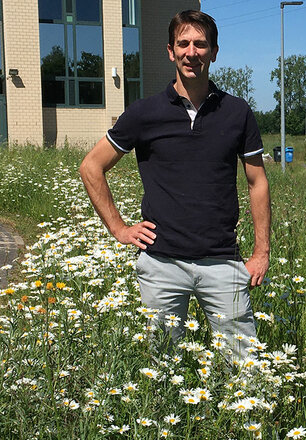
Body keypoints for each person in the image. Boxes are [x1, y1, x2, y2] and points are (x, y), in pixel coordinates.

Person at [80, 10, 270, 359]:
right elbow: (91, 166)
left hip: (223, 261)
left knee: (245, 370)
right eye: (183, 44)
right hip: (161, 265)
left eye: (200, 44)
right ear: (171, 51)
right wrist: (119, 228)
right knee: (163, 369)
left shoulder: (237, 112)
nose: (191, 52)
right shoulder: (144, 112)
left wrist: (261, 253)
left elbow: (257, 181)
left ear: (214, 52)